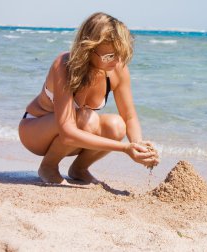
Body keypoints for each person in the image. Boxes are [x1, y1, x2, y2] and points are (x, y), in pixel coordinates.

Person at [19, 12, 159, 185]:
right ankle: (48, 166)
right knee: (88, 118)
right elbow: (68, 131)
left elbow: (130, 117)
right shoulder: (64, 65)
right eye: (109, 56)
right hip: (36, 130)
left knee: (116, 125)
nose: (115, 61)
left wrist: (138, 146)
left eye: (120, 53)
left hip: (72, 133)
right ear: (88, 49)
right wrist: (125, 148)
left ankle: (79, 169)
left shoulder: (117, 68)